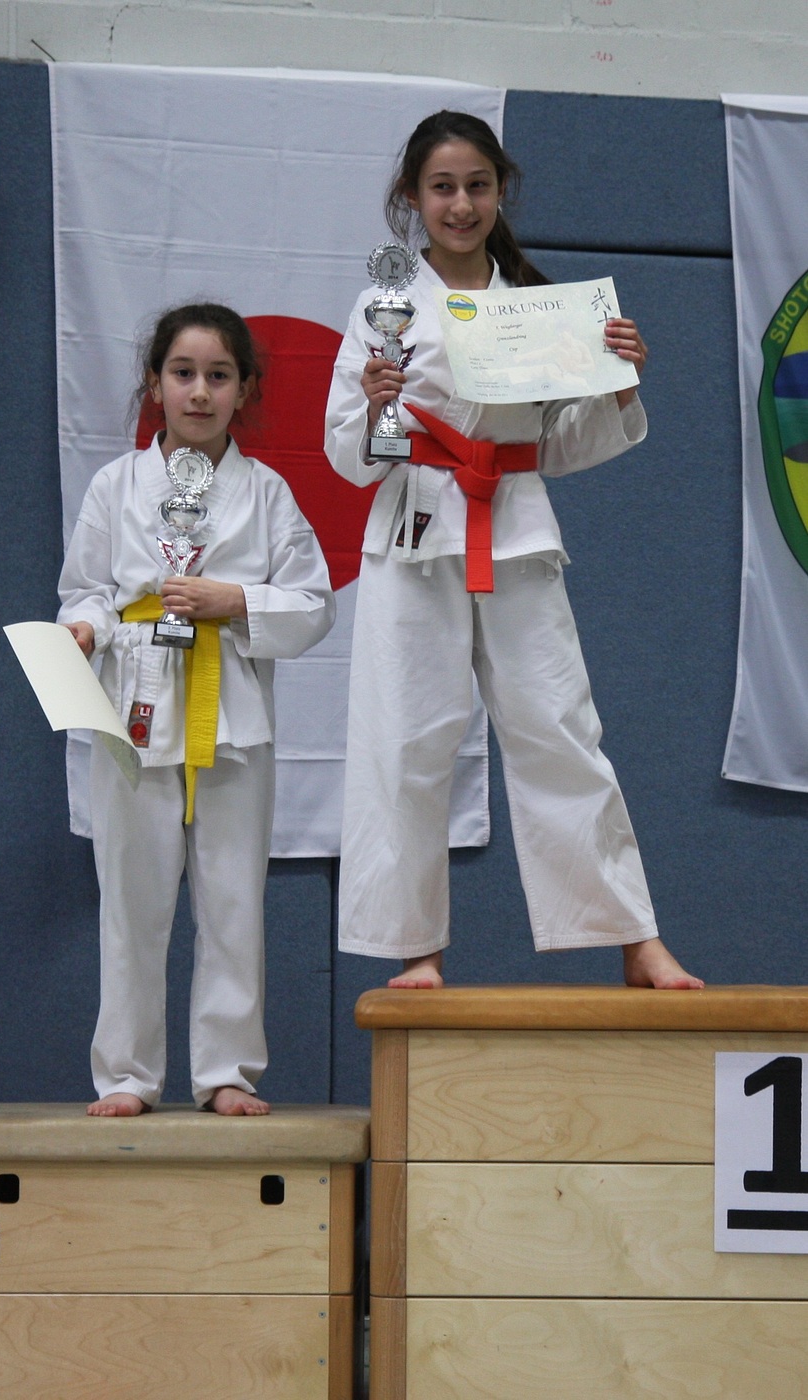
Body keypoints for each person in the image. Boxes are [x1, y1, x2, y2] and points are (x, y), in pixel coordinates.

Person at [324, 110, 702, 992]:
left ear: (500, 192)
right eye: (442, 188)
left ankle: (633, 937)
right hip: (415, 532)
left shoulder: (536, 303)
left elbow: (557, 447)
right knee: (406, 739)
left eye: (477, 186)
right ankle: (416, 950)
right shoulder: (380, 307)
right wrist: (375, 404)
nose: (460, 204)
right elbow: (346, 456)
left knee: (561, 729)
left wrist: (617, 387)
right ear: (412, 198)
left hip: (516, 529)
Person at [59, 302, 336, 1115]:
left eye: (219, 376)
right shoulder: (116, 485)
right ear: (154, 384)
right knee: (130, 900)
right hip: (134, 704)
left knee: (232, 898)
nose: (200, 392)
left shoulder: (268, 493)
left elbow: (312, 604)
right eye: (183, 373)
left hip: (232, 713)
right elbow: (86, 587)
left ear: (245, 389)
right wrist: (84, 627)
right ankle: (125, 1074)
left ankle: (225, 1071)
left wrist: (234, 600)